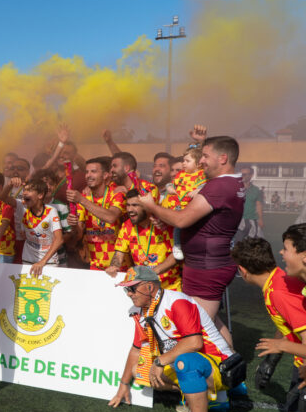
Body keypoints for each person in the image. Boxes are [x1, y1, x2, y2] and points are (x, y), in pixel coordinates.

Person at [108, 266, 233, 412]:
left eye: (132, 288)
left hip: (220, 363)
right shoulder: (143, 310)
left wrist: (160, 361)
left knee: (185, 362)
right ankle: (203, 396)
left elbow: (194, 343)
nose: (129, 294)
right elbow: (136, 349)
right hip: (199, 363)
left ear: (150, 287)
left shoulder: (176, 302)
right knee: (140, 371)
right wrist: (124, 385)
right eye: (127, 289)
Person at [137, 136, 244, 348]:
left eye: (205, 156)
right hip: (205, 263)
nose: (201, 161)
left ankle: (213, 374)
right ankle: (231, 369)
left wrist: (152, 205)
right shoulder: (229, 182)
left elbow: (182, 219)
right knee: (211, 323)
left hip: (207, 266)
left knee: (196, 329)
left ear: (223, 158)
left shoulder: (220, 186)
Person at [231, 234, 306, 412]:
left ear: (242, 271)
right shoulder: (276, 280)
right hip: (300, 362)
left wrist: (282, 348)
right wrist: (272, 360)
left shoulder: (278, 293)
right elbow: (287, 325)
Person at [106, 190, 181, 291]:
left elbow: (176, 255)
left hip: (170, 287)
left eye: (135, 205)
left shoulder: (162, 224)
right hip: (144, 290)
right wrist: (114, 266)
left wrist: (155, 271)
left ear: (147, 206)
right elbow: (119, 253)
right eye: (128, 205)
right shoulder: (127, 226)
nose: (129, 209)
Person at [66, 157, 126, 271]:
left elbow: (111, 217)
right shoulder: (84, 197)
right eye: (87, 172)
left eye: (93, 171)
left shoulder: (117, 194)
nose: (88, 175)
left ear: (105, 175)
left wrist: (81, 200)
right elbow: (78, 234)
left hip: (119, 266)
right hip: (95, 266)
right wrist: (73, 225)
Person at [17, 179, 63, 276]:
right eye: (24, 190)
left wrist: (42, 262)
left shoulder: (51, 211)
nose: (24, 193)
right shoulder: (23, 207)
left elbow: (59, 239)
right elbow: (3, 198)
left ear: (40, 195)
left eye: (29, 190)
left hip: (48, 262)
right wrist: (9, 184)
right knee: (27, 290)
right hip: (28, 259)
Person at [236, 166, 264, 239]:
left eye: (245, 174)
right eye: (241, 174)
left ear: (251, 175)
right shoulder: (235, 188)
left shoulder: (256, 190)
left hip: (252, 221)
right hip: (238, 221)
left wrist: (260, 219)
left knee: (254, 244)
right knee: (238, 245)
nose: (243, 176)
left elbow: (258, 205)